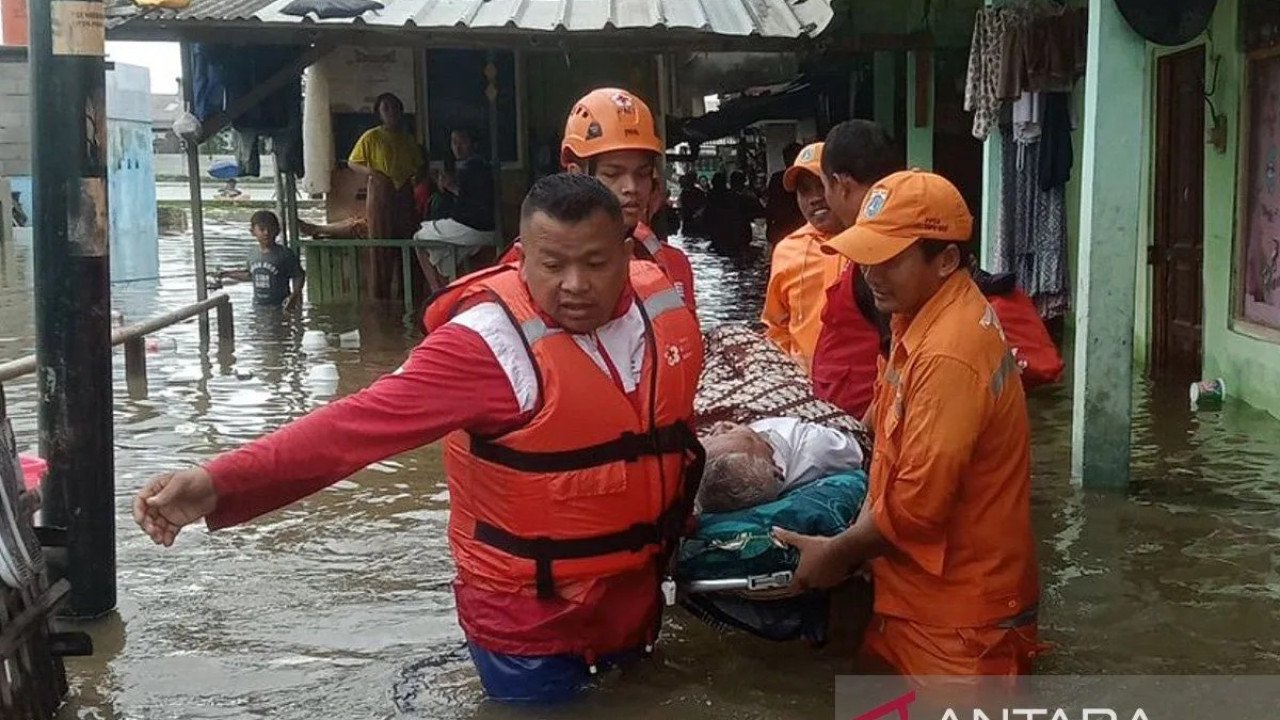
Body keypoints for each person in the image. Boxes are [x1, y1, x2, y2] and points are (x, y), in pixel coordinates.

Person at [132, 174, 706, 704]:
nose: (575, 285)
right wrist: (218, 482)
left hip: (633, 592)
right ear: (521, 257)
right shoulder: (486, 346)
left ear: (627, 257)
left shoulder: (662, 305)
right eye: (552, 265)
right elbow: (351, 429)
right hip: (526, 615)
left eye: (596, 263)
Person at [774, 170, 1042, 678]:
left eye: (889, 259)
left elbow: (917, 511)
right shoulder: (915, 315)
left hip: (963, 623)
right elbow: (884, 420)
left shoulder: (949, 351)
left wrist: (836, 554)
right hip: (915, 599)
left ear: (944, 260)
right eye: (866, 256)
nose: (871, 273)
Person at [809, 120, 902, 419]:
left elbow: (898, 361)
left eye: (824, 186)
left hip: (867, 429)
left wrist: (861, 438)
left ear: (842, 185)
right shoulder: (889, 239)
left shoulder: (881, 252)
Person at [761, 142, 846, 373]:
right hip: (805, 388)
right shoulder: (787, 250)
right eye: (805, 190)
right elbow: (775, 325)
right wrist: (791, 372)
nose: (814, 198)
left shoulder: (869, 246)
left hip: (860, 390)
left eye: (821, 185)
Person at [347, 92, 425, 301]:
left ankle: (406, 297)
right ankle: (380, 300)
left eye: (394, 107)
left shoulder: (408, 140)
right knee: (381, 247)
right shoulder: (371, 137)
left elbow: (418, 167)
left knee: (407, 245)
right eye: (385, 108)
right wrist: (372, 172)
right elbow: (353, 162)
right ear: (379, 113)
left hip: (404, 194)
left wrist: (415, 179)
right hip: (381, 193)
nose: (391, 112)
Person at [415, 127, 498, 292]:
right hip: (472, 227)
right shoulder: (473, 166)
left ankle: (436, 290)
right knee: (444, 249)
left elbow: (476, 202)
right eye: (454, 143)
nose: (458, 147)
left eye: (463, 142)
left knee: (418, 237)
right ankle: (447, 290)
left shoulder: (475, 166)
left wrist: (451, 186)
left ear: (473, 144)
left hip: (475, 227)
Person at [701, 418, 864, 495]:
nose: (719, 424)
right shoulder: (819, 449)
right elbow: (861, 441)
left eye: (711, 435)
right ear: (776, 470)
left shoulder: (749, 460)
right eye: (729, 432)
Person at [218, 210, 305, 311]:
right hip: (258, 306)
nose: (266, 233)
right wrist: (225, 274)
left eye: (270, 229)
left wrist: (294, 296)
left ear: (277, 231)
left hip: (280, 306)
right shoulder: (252, 254)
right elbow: (250, 275)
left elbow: (299, 275)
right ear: (252, 232)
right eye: (262, 229)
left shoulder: (285, 254)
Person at [764, 142, 805, 246]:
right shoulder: (777, 179)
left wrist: (769, 226)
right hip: (786, 227)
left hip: (787, 227)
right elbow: (771, 205)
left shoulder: (777, 178)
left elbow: (770, 206)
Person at [677, 172, 708, 237]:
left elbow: (704, 205)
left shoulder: (696, 192)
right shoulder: (686, 193)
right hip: (690, 221)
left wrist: (696, 214)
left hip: (693, 222)